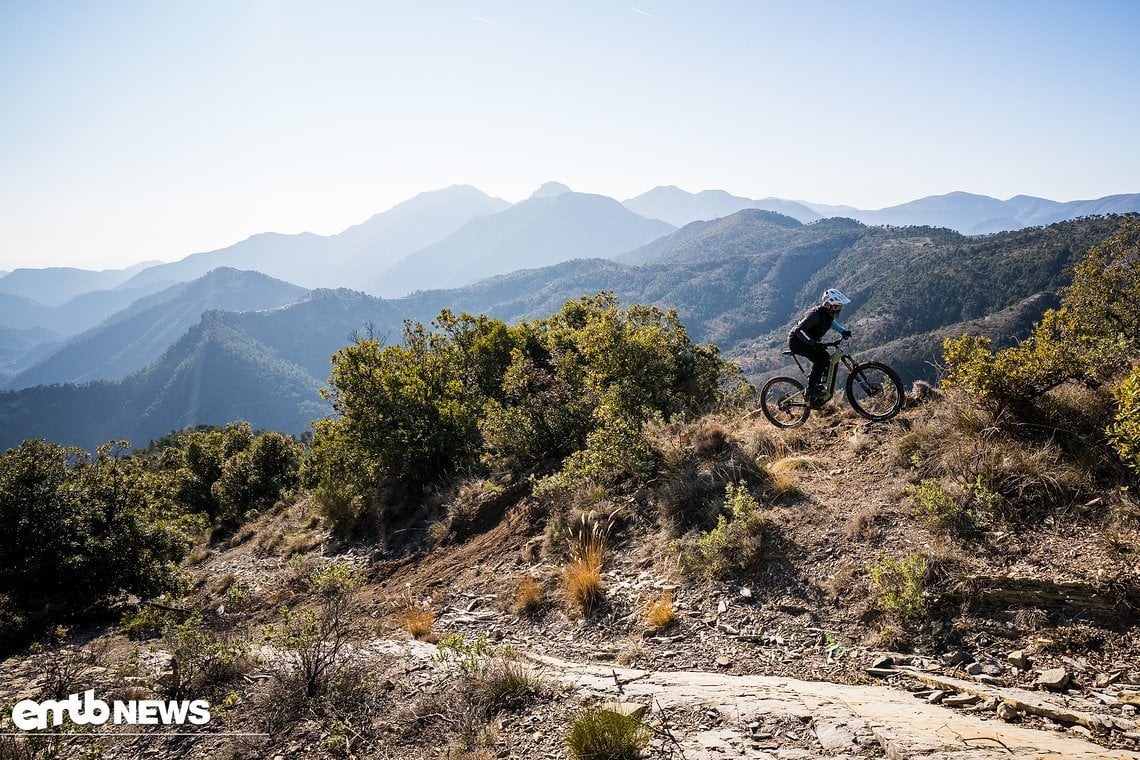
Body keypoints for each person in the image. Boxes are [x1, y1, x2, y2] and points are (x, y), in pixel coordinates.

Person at [788, 289, 852, 406]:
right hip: (797, 342)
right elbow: (799, 330)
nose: (839, 309)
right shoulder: (815, 315)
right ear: (828, 305)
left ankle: (816, 394)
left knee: (825, 359)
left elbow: (831, 323)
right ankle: (811, 389)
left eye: (840, 306)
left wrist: (843, 331)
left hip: (808, 341)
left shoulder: (827, 314)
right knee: (821, 359)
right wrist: (813, 343)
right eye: (837, 306)